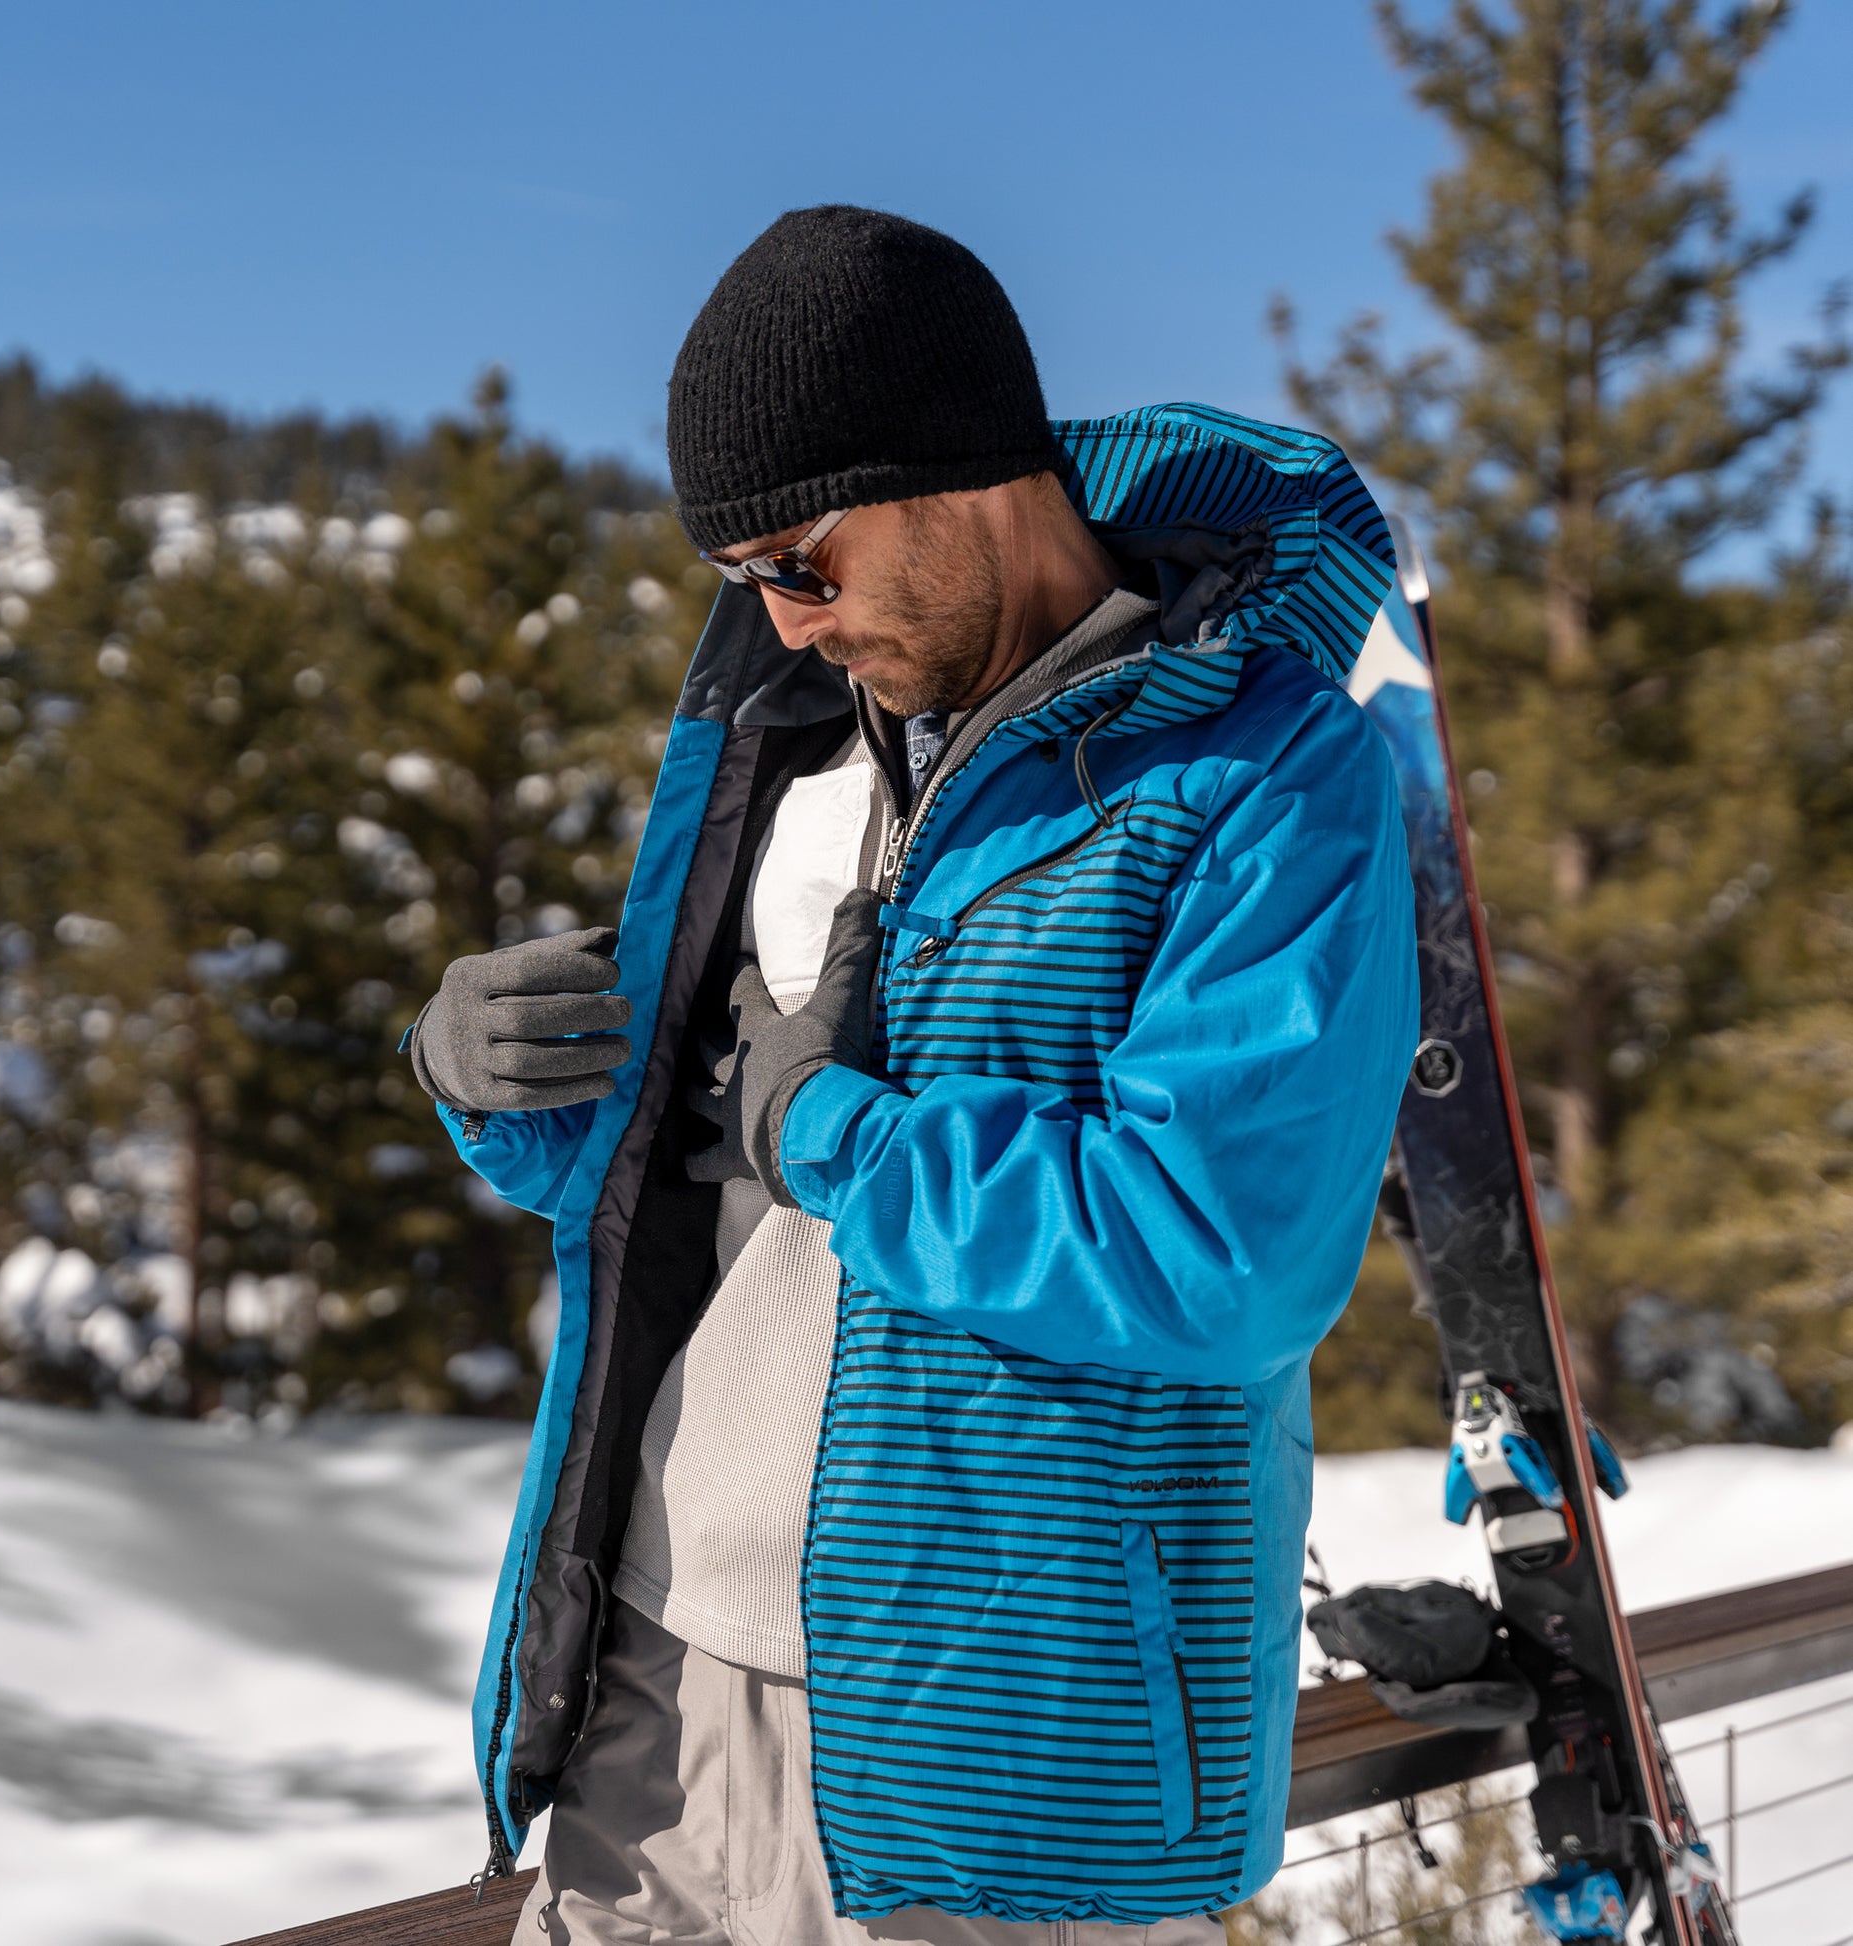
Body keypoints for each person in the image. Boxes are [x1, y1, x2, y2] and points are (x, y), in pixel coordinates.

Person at [406, 205, 1419, 1945]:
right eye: (742, 587)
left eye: (803, 562)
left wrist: (833, 1128)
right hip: (662, 1669)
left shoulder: (1263, 776)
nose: (785, 627)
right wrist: (494, 1082)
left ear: (954, 476)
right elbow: (694, 1169)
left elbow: (1217, 1254)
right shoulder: (787, 743)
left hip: (1012, 1743)